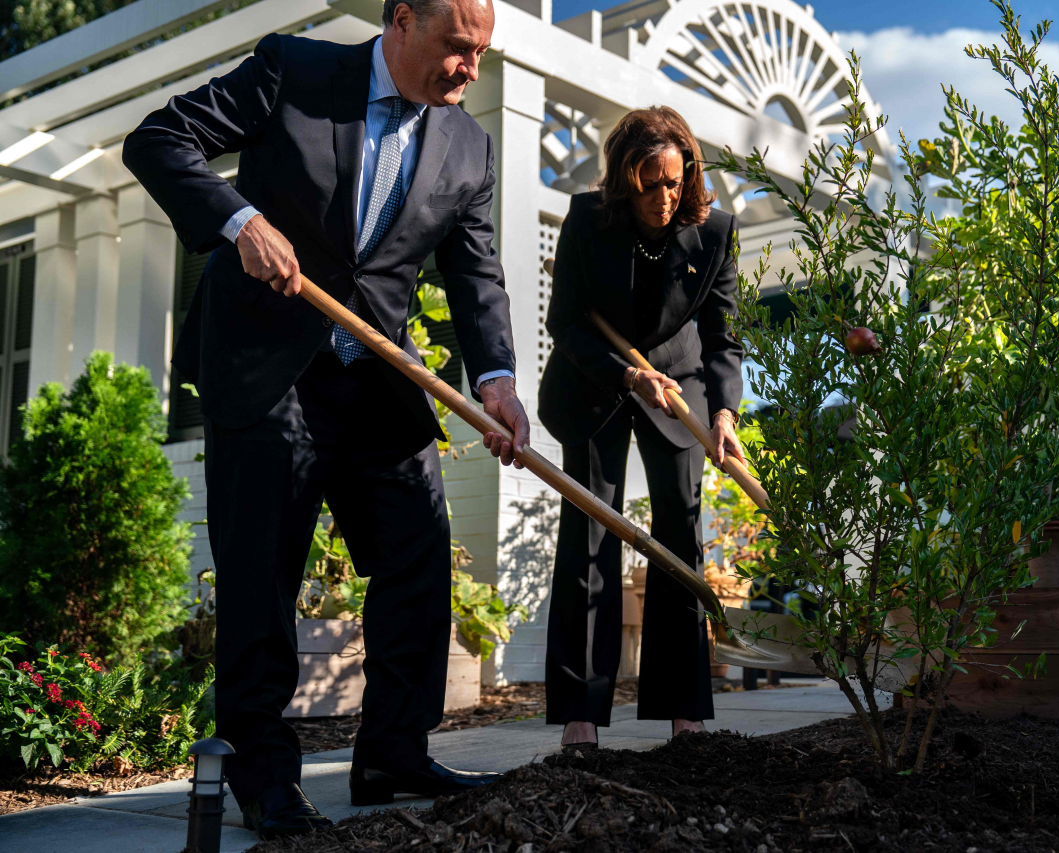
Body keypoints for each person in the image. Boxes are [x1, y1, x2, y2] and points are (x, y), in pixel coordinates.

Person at [122, 0, 530, 839]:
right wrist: (240, 220)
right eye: (457, 48)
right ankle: (264, 774)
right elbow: (158, 139)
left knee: (417, 550)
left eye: (480, 53)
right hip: (269, 369)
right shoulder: (293, 72)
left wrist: (496, 377)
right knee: (260, 574)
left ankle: (392, 751)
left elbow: (475, 270)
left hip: (374, 377)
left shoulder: (468, 145)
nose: (469, 70)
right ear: (402, 21)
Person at [537, 107, 745, 749]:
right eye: (648, 183)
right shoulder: (588, 220)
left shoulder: (714, 231)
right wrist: (628, 377)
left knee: (681, 538)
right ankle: (581, 714)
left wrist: (724, 411)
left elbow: (722, 335)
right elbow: (565, 323)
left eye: (674, 183)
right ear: (625, 177)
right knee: (590, 535)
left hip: (679, 385)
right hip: (599, 381)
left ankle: (685, 713)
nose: (663, 198)